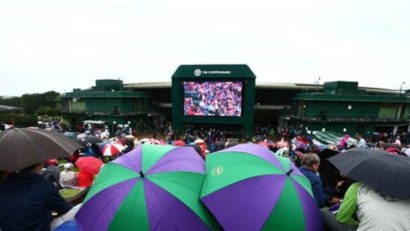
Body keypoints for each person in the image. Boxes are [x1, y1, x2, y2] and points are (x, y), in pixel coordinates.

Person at [0, 163, 74, 231]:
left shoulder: (5, 184)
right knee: (76, 211)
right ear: (39, 165)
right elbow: (64, 208)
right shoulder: (42, 184)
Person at [322, 182, 410, 231]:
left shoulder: (357, 186)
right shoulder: (407, 193)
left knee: (323, 212)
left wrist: (358, 224)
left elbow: (342, 217)